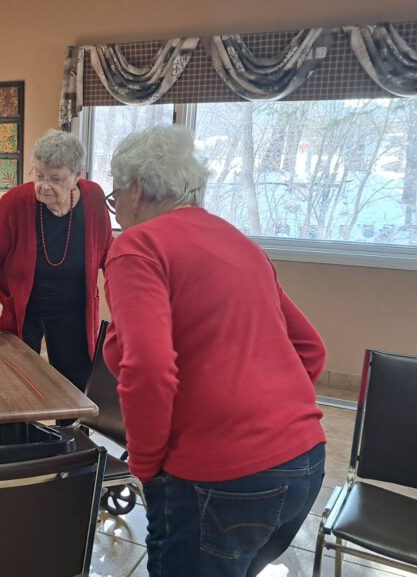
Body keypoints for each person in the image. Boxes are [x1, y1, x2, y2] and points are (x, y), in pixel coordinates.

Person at [103, 126, 326, 577]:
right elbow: (310, 349)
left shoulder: (137, 246)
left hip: (222, 480)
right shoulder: (237, 241)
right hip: (304, 464)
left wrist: (146, 465)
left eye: (115, 197)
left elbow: (147, 368)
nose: (116, 211)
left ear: (138, 189)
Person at [0, 129, 112, 394]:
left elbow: (108, 254)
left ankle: (65, 434)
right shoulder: (15, 203)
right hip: (22, 311)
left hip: (73, 311)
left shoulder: (93, 199)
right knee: (18, 386)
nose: (44, 186)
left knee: (72, 390)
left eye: (56, 178)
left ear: (77, 176)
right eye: (39, 175)